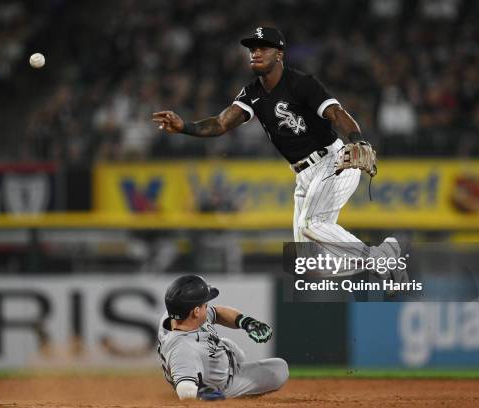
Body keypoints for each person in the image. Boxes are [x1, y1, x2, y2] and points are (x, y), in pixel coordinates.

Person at [152, 27, 405, 279]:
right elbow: (221, 123)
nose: (255, 52)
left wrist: (358, 140)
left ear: (279, 54)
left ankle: (382, 260)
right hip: (304, 175)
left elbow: (337, 113)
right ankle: (384, 258)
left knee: (312, 226)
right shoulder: (252, 93)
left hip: (333, 161)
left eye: (263, 48)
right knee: (306, 263)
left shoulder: (302, 84)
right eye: (253, 48)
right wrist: (184, 126)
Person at [157, 274, 288, 400]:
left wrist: (246, 322)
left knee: (227, 343)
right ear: (196, 311)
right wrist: (201, 394)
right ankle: (235, 395)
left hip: (212, 363)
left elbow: (217, 313)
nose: (207, 306)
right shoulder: (182, 348)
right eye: (205, 304)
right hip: (223, 384)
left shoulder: (179, 316)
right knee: (279, 369)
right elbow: (185, 389)